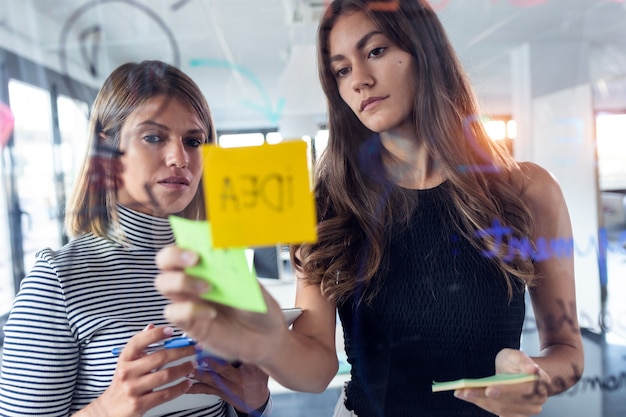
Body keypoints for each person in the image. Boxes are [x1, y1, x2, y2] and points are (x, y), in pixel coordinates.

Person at [153, 1, 585, 416]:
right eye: (341, 70)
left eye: (375, 51)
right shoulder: (328, 205)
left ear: (424, 52)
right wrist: (271, 344)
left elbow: (567, 351)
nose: (358, 80)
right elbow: (317, 366)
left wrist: (536, 377)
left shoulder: (528, 190)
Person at [0, 60, 270, 417]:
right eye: (154, 137)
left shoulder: (222, 262)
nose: (180, 158)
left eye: (193, 141)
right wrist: (105, 410)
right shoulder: (58, 278)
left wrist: (255, 404)